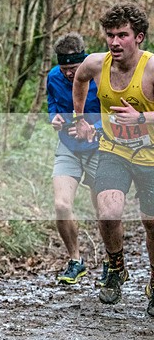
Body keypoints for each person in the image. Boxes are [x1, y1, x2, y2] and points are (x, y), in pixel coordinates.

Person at [73, 3, 154, 316]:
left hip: (150, 155)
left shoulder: (150, 69)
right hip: (114, 149)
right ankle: (116, 266)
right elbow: (79, 79)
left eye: (123, 35)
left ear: (139, 37)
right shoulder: (96, 64)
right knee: (108, 210)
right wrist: (79, 118)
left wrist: (142, 117)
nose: (115, 42)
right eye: (110, 35)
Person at [46, 33, 105, 285]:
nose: (70, 74)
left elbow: (114, 111)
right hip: (68, 147)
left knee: (104, 210)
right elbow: (53, 103)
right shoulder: (53, 77)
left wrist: (96, 128)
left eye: (75, 68)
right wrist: (54, 118)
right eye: (65, 68)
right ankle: (75, 261)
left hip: (99, 148)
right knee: (61, 205)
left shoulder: (103, 76)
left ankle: (111, 262)